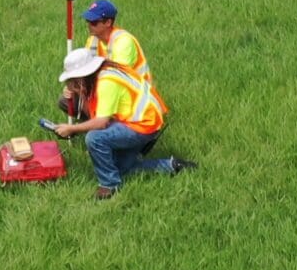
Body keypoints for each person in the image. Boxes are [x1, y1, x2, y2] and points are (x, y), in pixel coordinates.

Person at [52, 47, 192, 200]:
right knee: (121, 168)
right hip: (142, 121)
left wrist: (72, 129)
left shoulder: (106, 83)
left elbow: (101, 122)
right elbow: (94, 112)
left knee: (94, 138)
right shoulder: (104, 72)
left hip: (142, 125)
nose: (71, 84)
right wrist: (80, 93)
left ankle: (109, 185)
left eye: (73, 80)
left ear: (83, 75)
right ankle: (172, 166)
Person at [59, 0, 151, 121]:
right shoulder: (93, 41)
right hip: (106, 87)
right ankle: (97, 124)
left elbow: (117, 78)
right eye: (88, 21)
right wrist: (74, 86)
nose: (89, 26)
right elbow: (84, 70)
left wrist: (86, 88)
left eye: (94, 22)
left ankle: (106, 126)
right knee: (65, 100)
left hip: (131, 94)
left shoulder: (124, 42)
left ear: (108, 22)